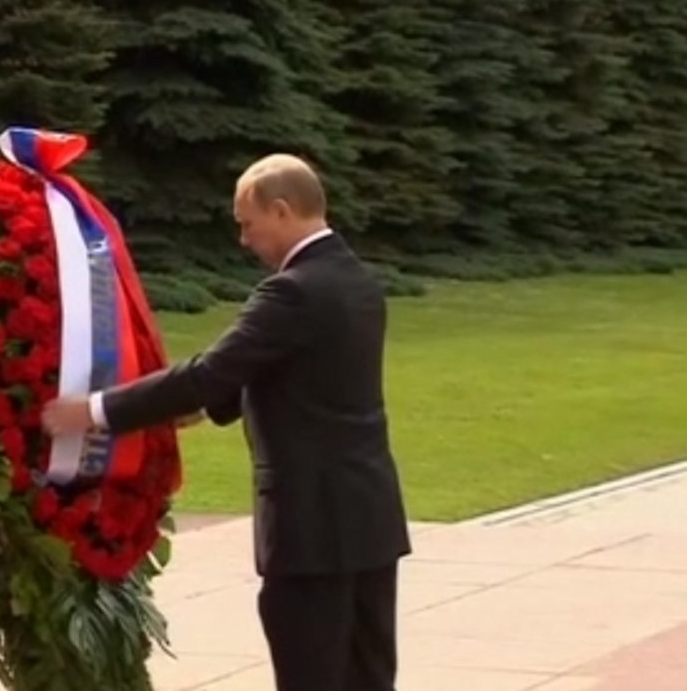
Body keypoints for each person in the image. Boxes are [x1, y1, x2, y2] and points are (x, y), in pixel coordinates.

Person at [41, 154, 412, 691]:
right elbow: (302, 372)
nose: (243, 239)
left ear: (281, 211)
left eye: (247, 223)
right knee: (368, 677)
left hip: (312, 528)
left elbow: (210, 372)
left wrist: (96, 411)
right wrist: (213, 406)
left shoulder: (293, 290)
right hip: (369, 520)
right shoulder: (357, 281)